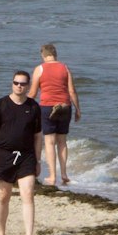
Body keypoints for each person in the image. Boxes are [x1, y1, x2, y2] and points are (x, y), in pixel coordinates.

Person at [0, 71, 41, 235]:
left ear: (29, 86)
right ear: (12, 83)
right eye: (16, 83)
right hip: (4, 155)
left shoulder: (33, 107)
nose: (19, 86)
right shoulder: (1, 104)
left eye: (23, 84)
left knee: (28, 193)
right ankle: (1, 233)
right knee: (3, 196)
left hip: (26, 156)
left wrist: (38, 160)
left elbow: (38, 136)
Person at [29, 44, 81, 187]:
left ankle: (52, 176)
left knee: (50, 142)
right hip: (65, 106)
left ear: (43, 55)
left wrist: (23, 106)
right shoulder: (65, 67)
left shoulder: (40, 69)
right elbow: (72, 91)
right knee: (62, 142)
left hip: (47, 107)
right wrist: (78, 109)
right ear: (55, 54)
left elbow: (33, 93)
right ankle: (64, 174)